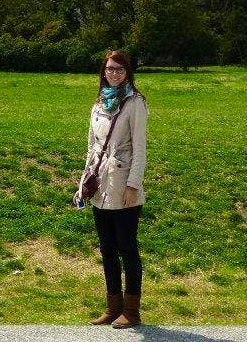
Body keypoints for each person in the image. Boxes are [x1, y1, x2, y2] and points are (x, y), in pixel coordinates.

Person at [78, 50, 148, 328]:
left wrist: (133, 185)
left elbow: (140, 149)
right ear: (103, 72)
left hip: (123, 184)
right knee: (107, 248)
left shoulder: (135, 102)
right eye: (110, 69)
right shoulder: (98, 103)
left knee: (127, 248)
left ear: (127, 72)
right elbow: (91, 147)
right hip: (100, 186)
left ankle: (131, 311)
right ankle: (113, 306)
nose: (114, 74)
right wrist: (84, 181)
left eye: (119, 69)